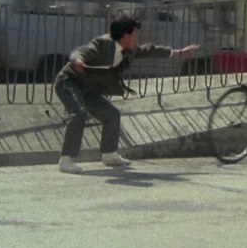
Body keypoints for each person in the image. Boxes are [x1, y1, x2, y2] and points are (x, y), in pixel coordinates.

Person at [54, 15, 199, 174]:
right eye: (135, 34)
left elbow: (149, 50)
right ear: (125, 35)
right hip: (69, 82)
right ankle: (66, 160)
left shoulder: (130, 50)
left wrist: (178, 53)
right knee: (79, 114)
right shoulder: (103, 44)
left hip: (89, 89)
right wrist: (77, 61)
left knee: (112, 114)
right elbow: (80, 51)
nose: (137, 38)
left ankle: (109, 154)